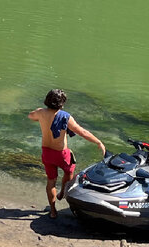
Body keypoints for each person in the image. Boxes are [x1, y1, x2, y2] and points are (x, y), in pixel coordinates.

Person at [28, 88, 105, 218]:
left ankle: (53, 211)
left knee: (50, 182)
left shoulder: (40, 113)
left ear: (47, 100)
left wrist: (39, 113)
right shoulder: (65, 116)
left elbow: (31, 116)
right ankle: (63, 191)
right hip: (61, 154)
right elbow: (82, 132)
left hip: (47, 153)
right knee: (69, 172)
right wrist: (98, 142)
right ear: (61, 104)